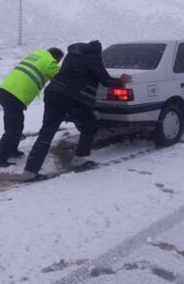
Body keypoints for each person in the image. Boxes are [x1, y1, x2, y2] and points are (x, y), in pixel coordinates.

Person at [22, 40, 131, 181]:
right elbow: (106, 80)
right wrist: (121, 80)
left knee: (46, 133)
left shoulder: (72, 55)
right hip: (73, 98)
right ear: (97, 51)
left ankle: (30, 171)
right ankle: (79, 159)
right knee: (90, 125)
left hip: (53, 94)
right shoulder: (93, 57)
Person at [0, 47, 65, 167]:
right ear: (56, 58)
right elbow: (62, 76)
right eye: (58, 61)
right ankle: (0, 159)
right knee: (12, 129)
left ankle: (12, 151)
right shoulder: (50, 62)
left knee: (17, 125)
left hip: (5, 90)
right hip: (15, 95)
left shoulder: (37, 54)